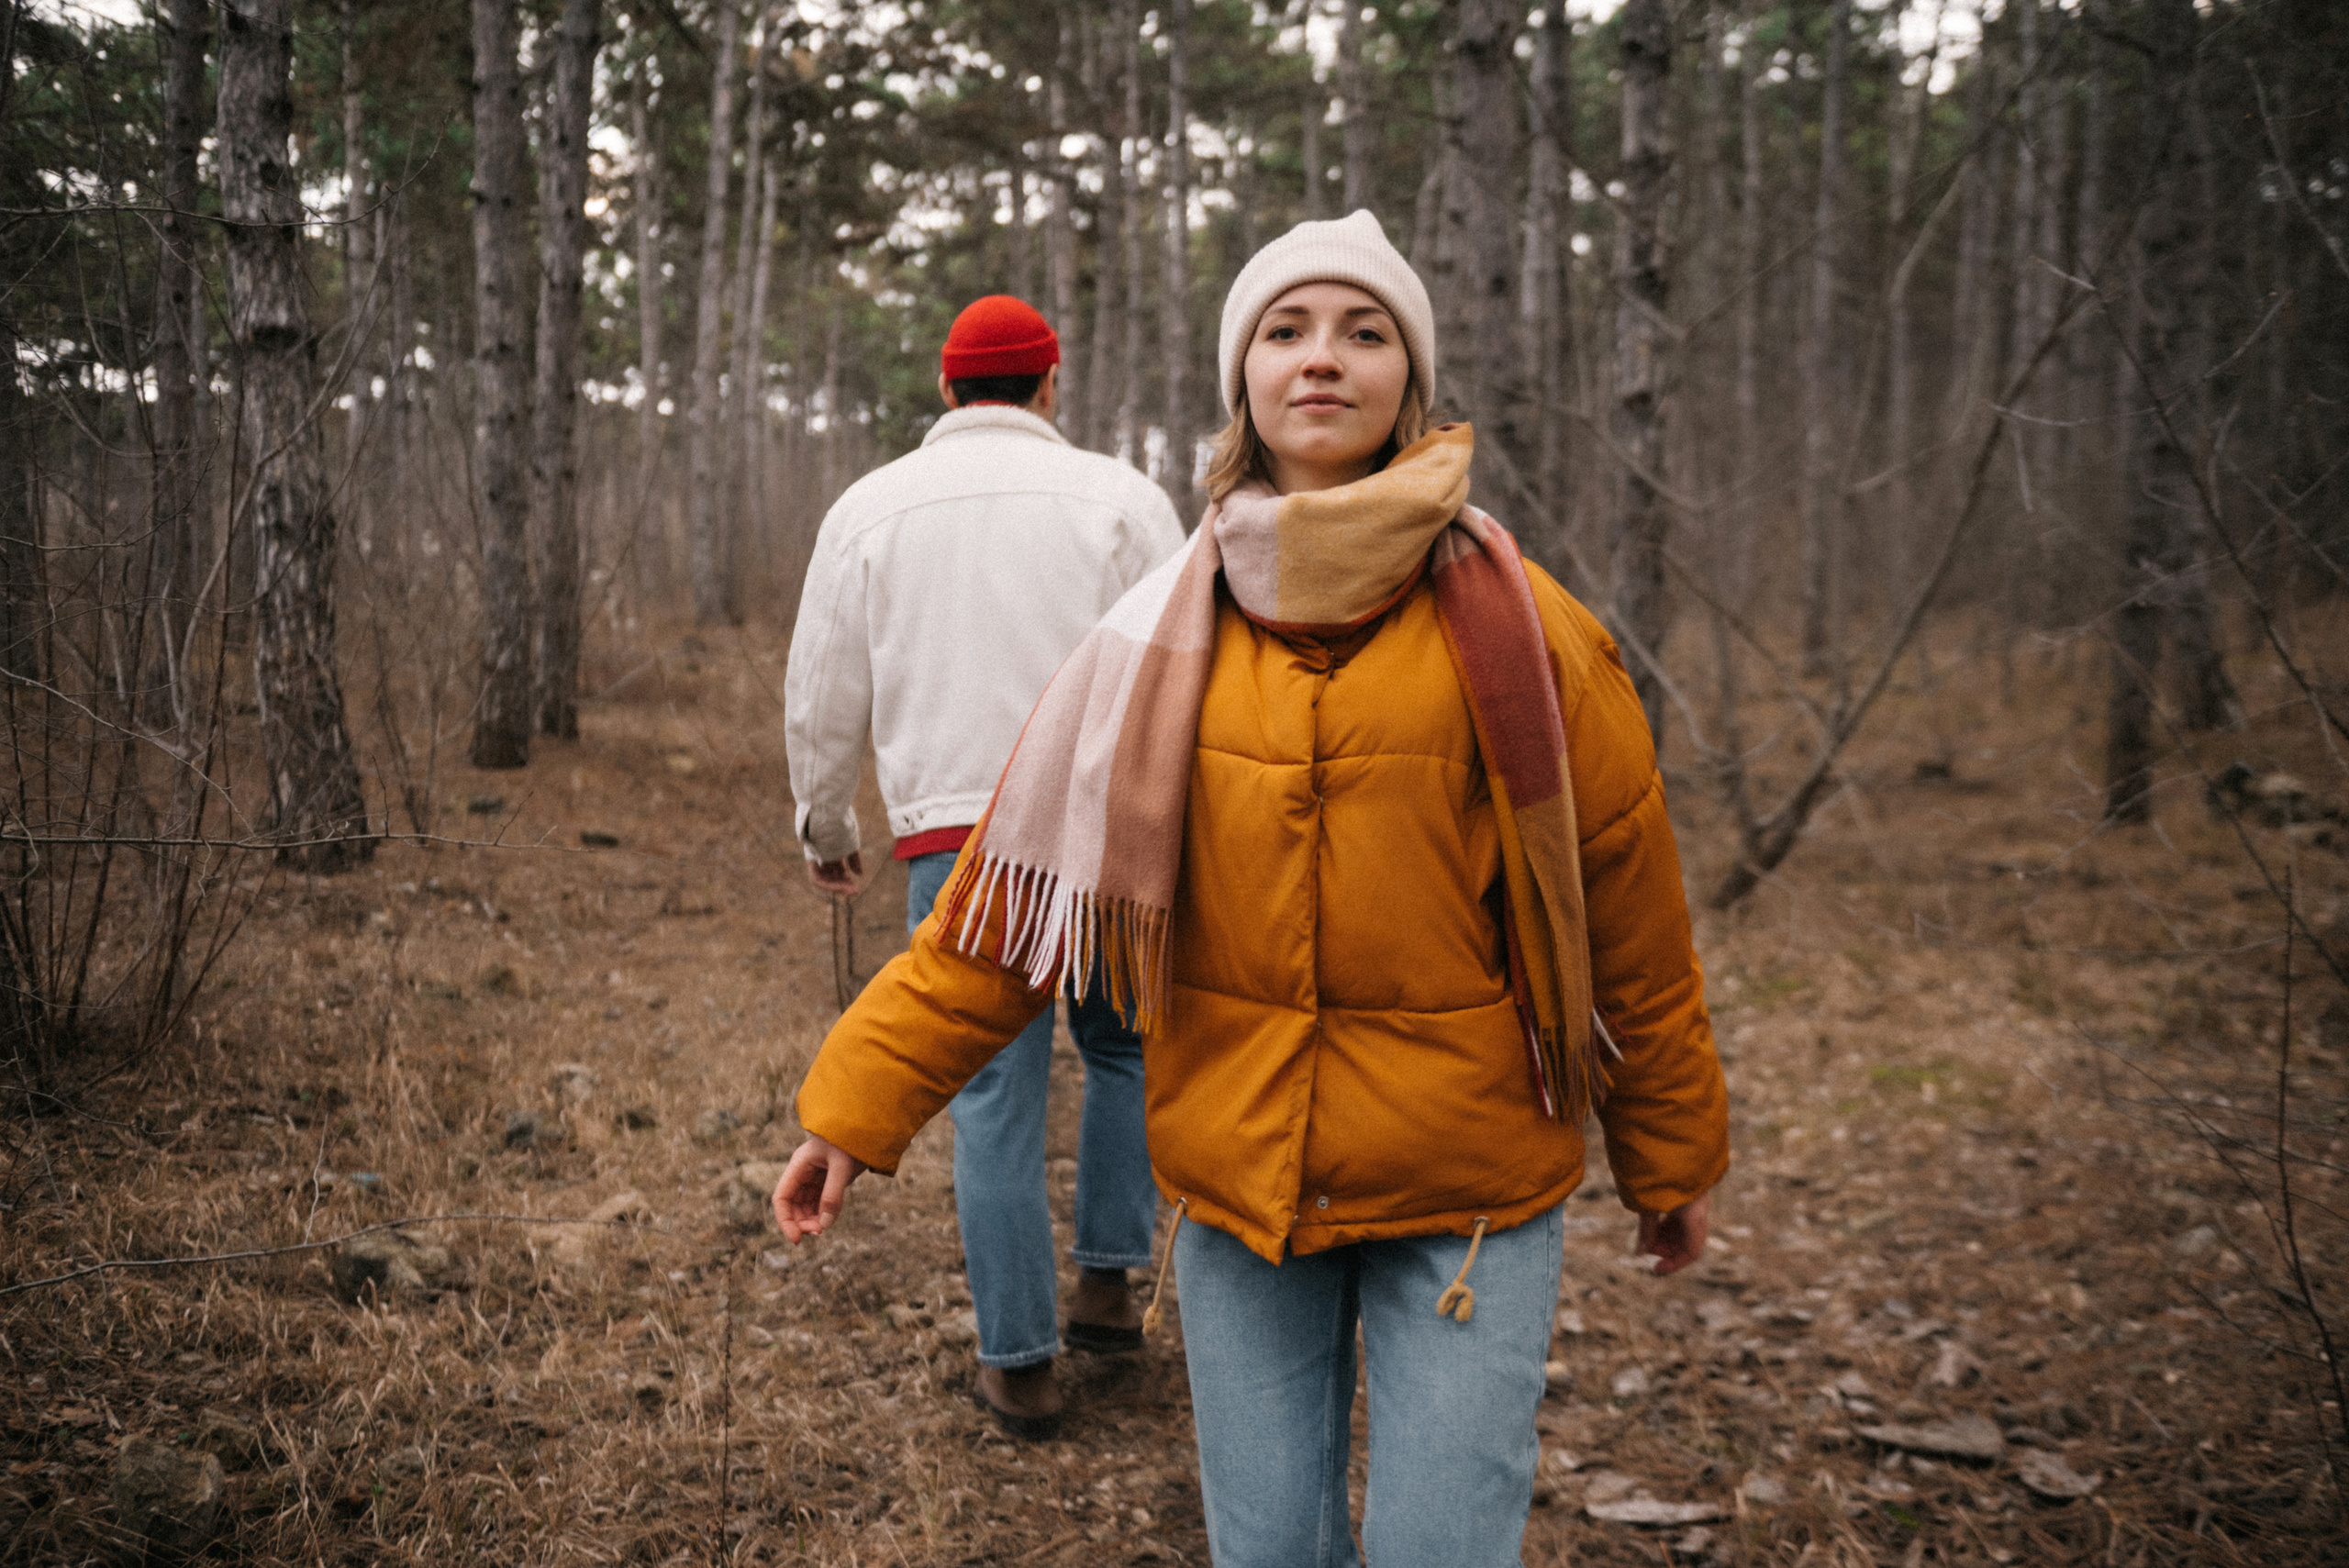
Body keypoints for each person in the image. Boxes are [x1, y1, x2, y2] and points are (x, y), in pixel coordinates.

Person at [773, 212, 1729, 1565]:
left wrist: (1669, 1150)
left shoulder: (1538, 633)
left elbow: (1632, 913)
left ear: (1412, 379)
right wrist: (851, 1109)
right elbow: (997, 918)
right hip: (1240, 1193)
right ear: (1246, 382)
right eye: (1286, 331)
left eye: (1364, 331)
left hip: (1468, 1196)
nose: (1322, 359)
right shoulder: (1153, 637)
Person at [781, 294, 1185, 1439]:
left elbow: (821, 687)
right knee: (1122, 1050)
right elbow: (1178, 669)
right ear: (1049, 383)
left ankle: (1018, 1362)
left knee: (992, 1095)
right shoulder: (1122, 499)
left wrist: (826, 824)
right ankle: (1107, 1284)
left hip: (958, 832)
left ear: (949, 392)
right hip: (1109, 822)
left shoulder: (871, 507)